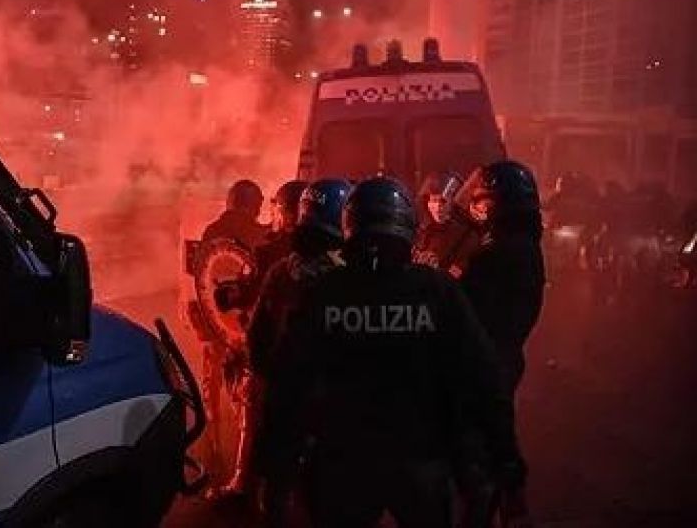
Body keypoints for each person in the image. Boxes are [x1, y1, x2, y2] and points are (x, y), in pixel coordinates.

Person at [276, 177, 522, 528]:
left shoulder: (325, 293)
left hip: (344, 463)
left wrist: (276, 466)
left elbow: (289, 382)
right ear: (406, 225)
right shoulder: (436, 290)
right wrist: (502, 456)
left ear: (350, 226)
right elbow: (483, 375)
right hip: (421, 459)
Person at [247, 179, 350, 526]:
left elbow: (256, 336)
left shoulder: (281, 271)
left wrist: (274, 377)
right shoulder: (349, 277)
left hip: (285, 401)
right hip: (333, 410)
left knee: (277, 491)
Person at [455, 161, 545, 528]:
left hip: (484, 362)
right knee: (494, 436)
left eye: (482, 202)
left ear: (498, 204)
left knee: (478, 453)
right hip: (501, 357)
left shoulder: (497, 255)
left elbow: (467, 312)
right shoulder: (521, 247)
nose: (475, 208)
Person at [189, 179, 269, 491]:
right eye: (258, 202)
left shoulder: (210, 232)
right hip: (242, 329)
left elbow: (201, 277)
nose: (262, 208)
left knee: (212, 383)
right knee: (243, 391)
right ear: (249, 203)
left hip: (214, 324)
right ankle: (242, 451)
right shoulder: (258, 235)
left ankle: (211, 442)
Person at [412, 171, 477, 277]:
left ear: (453, 203)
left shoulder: (466, 236)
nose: (437, 206)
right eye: (433, 200)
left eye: (443, 201)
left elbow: (456, 277)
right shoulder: (421, 233)